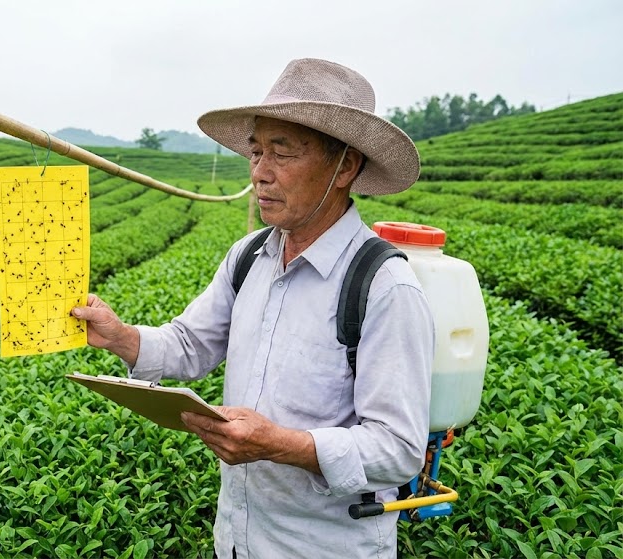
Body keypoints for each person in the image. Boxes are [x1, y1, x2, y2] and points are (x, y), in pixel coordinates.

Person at [72, 58, 435, 558]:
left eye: (282, 153)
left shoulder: (384, 287)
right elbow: (190, 344)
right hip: (238, 540)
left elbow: (398, 449)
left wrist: (282, 444)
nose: (260, 173)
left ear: (345, 166)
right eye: (257, 151)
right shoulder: (249, 257)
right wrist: (121, 337)